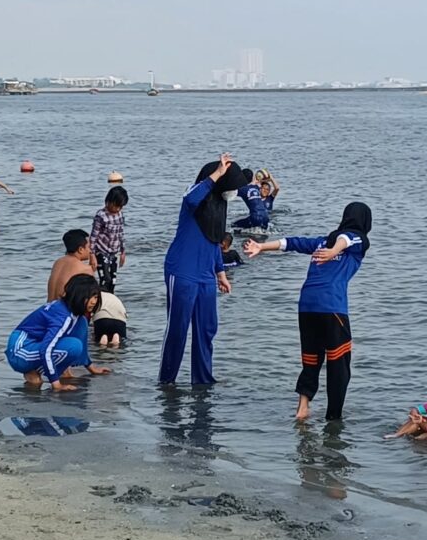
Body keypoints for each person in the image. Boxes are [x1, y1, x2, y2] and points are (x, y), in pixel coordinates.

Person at [244, 202, 371, 420]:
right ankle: (333, 418)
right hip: (331, 307)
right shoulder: (357, 240)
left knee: (311, 359)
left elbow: (291, 242)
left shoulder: (322, 241)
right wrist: (333, 251)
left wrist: (261, 247)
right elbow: (348, 239)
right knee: (338, 364)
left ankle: (303, 408)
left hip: (306, 307)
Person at [159, 153, 247, 385]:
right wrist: (217, 173)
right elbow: (190, 199)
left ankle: (202, 380)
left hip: (206, 274)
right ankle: (167, 381)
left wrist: (220, 273)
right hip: (182, 271)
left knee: (207, 329)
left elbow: (214, 241)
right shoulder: (195, 196)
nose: (234, 193)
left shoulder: (219, 206)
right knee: (178, 330)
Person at [5, 274, 112, 390]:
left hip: (33, 344)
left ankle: (49, 371)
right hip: (19, 351)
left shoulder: (76, 315)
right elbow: (46, 349)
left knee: (80, 327)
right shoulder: (62, 316)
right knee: (73, 346)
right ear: (78, 295)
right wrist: (56, 384)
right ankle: (33, 372)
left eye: (96, 297)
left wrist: (91, 368)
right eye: (90, 297)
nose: (93, 302)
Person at [89, 186, 128, 293]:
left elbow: (121, 233)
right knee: (105, 279)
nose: (118, 209)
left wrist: (123, 252)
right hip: (101, 251)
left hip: (113, 253)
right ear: (108, 201)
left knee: (113, 281)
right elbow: (93, 236)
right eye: (116, 206)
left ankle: (111, 301)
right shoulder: (101, 216)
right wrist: (92, 255)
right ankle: (100, 301)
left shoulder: (120, 215)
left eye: (121, 206)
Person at [47, 229, 94, 302]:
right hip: (63, 311)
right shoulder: (85, 268)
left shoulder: (58, 262)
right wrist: (93, 268)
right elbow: (90, 295)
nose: (90, 251)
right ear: (81, 249)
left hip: (47, 308)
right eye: (89, 247)